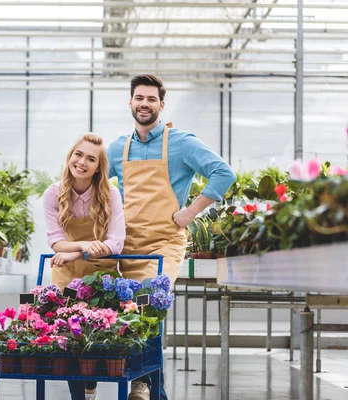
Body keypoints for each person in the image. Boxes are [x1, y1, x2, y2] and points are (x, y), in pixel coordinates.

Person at [107, 74, 236, 400]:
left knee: (149, 302)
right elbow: (90, 184)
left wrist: (190, 213)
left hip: (165, 243)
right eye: (139, 98)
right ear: (131, 103)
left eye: (151, 99)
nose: (145, 104)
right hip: (129, 246)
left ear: (162, 105)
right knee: (127, 311)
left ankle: (146, 386)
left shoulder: (181, 142)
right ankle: (148, 386)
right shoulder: (118, 148)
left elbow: (224, 173)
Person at [43, 133, 125, 400]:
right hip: (66, 274)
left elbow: (115, 243)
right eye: (78, 154)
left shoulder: (110, 194)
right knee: (68, 339)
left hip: (101, 277)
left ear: (99, 167)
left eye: (91, 159)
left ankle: (90, 389)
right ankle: (81, 397)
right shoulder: (54, 194)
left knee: (95, 341)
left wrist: (75, 251)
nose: (82, 162)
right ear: (70, 155)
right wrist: (87, 245)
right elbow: (56, 243)